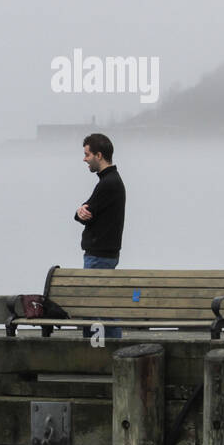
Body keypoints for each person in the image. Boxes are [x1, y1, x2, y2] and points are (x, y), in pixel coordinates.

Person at [74, 133, 126, 338]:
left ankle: (103, 351)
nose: (84, 159)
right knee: (101, 306)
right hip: (103, 254)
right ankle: (105, 351)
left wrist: (81, 213)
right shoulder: (110, 181)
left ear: (99, 155)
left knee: (97, 309)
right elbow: (85, 211)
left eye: (87, 154)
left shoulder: (108, 183)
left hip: (99, 255)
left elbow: (87, 213)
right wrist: (80, 212)